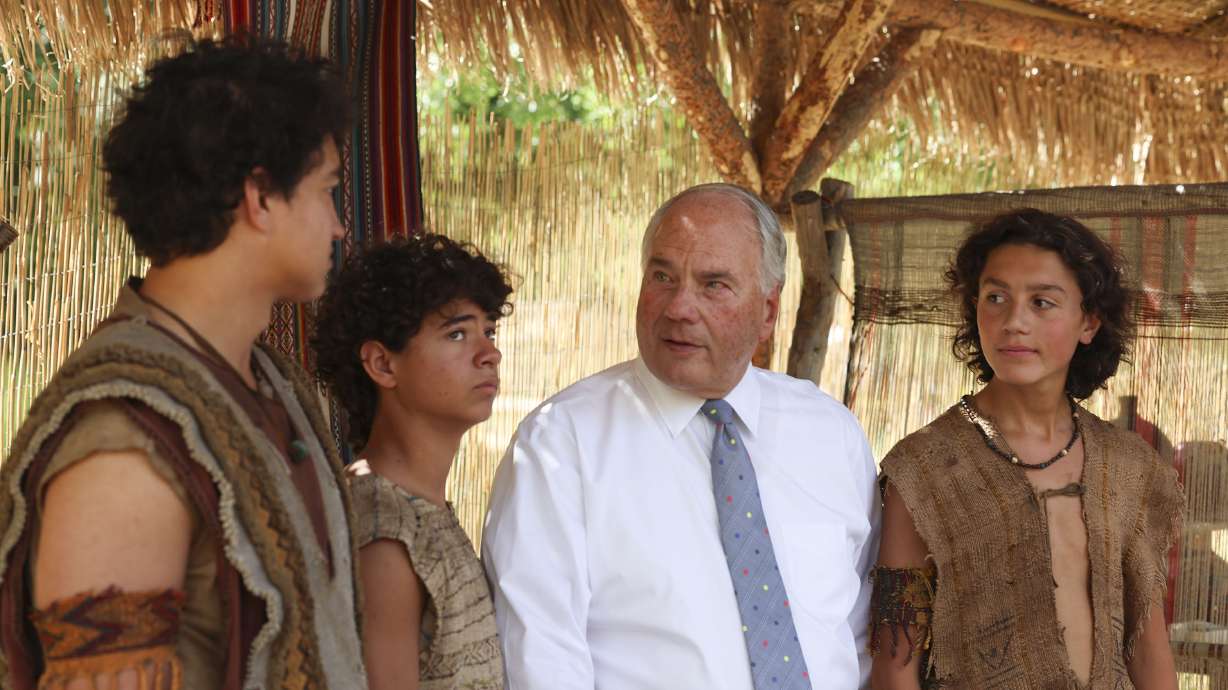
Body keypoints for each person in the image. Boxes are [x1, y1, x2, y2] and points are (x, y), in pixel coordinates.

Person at [0, 36, 366, 690]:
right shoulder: (125, 441)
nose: (339, 226)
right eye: (326, 190)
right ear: (260, 196)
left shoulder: (270, 382)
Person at [482, 183, 881, 689]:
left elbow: (860, 632)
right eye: (662, 276)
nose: (678, 308)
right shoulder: (560, 445)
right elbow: (541, 657)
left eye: (713, 284)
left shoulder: (830, 434)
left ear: (768, 312)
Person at [869, 210, 1183, 689]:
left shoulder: (1128, 466)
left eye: (1042, 302)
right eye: (995, 297)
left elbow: (1147, 642)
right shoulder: (925, 470)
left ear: (1089, 322)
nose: (1014, 321)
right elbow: (895, 662)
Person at [312, 235, 510, 690]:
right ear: (383, 364)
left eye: (489, 331)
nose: (489, 353)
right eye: (457, 334)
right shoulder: (386, 536)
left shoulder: (421, 510)